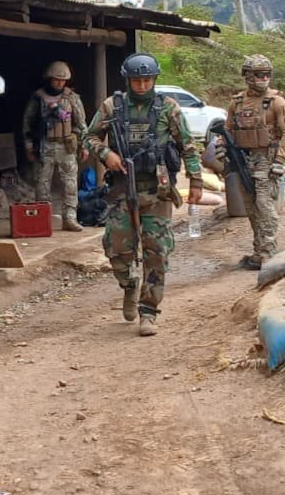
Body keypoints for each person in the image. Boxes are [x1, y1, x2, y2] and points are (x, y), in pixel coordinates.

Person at [83, 53, 204, 337]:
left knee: (157, 251)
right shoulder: (113, 106)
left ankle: (149, 311)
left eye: (146, 80)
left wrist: (196, 180)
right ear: (128, 80)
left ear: (154, 79)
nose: (141, 85)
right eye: (136, 80)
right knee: (117, 248)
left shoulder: (168, 108)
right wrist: (106, 153)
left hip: (158, 190)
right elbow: (89, 136)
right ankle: (128, 284)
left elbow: (187, 146)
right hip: (121, 187)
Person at [222, 54, 285, 270]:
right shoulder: (236, 103)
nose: (263, 79)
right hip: (244, 160)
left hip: (267, 160)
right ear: (248, 76)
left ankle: (269, 252)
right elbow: (228, 130)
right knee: (251, 208)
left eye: (267, 74)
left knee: (265, 206)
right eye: (258, 74)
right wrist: (222, 147)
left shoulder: (276, 102)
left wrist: (280, 159)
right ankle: (259, 250)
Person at [22, 61, 88, 232]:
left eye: (63, 80)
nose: (59, 83)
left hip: (66, 146)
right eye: (56, 80)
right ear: (49, 79)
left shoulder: (71, 98)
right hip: (44, 146)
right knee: (42, 185)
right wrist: (29, 146)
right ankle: (43, 221)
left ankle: (70, 219)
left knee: (70, 184)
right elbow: (28, 123)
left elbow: (81, 123)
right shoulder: (38, 98)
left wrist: (84, 145)